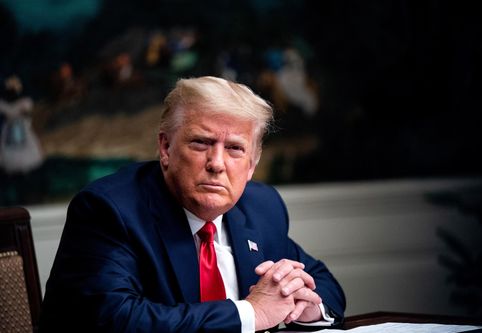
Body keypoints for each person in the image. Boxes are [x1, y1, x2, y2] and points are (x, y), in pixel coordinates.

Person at [39, 76, 345, 332]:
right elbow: (115, 319)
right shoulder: (109, 209)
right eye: (201, 143)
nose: (217, 164)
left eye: (235, 149)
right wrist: (251, 314)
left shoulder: (262, 207)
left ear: (252, 164)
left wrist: (305, 306)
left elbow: (321, 281)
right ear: (165, 147)